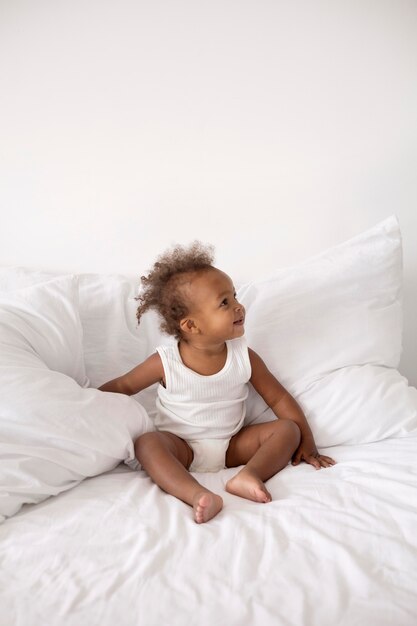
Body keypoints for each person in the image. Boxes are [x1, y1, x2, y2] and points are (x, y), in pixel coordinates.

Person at [99, 242, 336, 523]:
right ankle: (197, 494)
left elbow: (279, 399)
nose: (238, 307)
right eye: (225, 303)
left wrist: (307, 440)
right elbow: (124, 387)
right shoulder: (166, 361)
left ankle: (249, 476)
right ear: (191, 325)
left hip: (234, 445)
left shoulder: (244, 356)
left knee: (288, 429)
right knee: (148, 444)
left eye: (235, 297)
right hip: (181, 446)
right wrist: (85, 399)